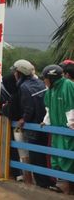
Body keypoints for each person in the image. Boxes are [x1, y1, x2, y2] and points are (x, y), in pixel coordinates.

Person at [12, 59, 55, 188]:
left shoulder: (24, 87)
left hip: (33, 126)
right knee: (44, 154)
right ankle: (48, 181)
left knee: (35, 156)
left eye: (15, 71)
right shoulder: (40, 83)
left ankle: (42, 183)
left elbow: (28, 108)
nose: (14, 74)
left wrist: (23, 119)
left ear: (19, 73)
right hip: (43, 124)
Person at [42, 65, 74, 194]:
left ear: (52, 77)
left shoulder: (68, 86)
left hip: (67, 130)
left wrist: (71, 124)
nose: (44, 81)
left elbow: (71, 107)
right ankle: (62, 186)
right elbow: (48, 108)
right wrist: (46, 121)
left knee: (67, 158)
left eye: (45, 79)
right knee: (57, 157)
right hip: (56, 130)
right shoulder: (50, 90)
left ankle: (68, 188)